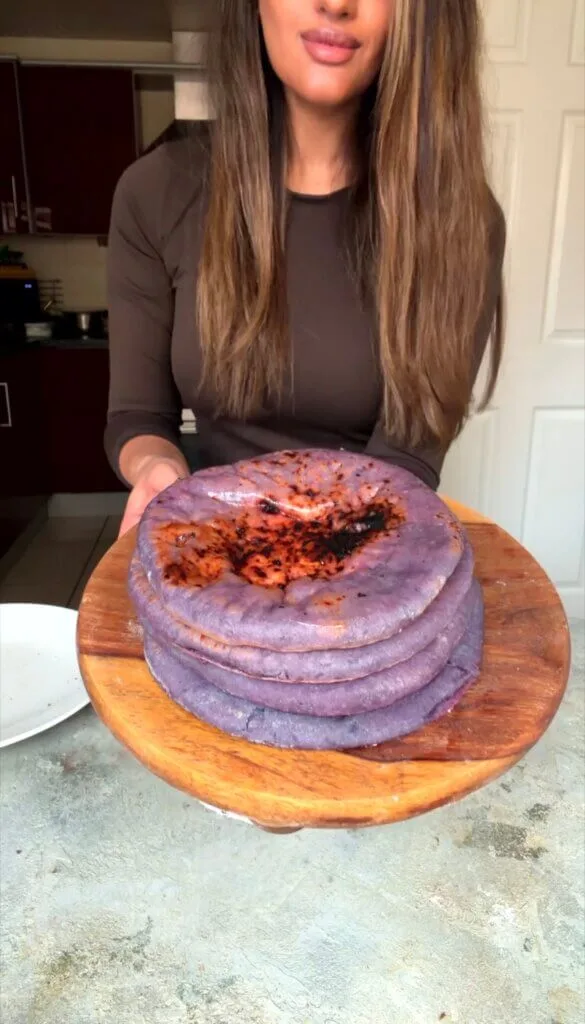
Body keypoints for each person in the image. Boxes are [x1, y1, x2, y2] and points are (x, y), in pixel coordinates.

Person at [106, 0, 505, 538]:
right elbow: (138, 418)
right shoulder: (154, 192)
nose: (336, 4)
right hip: (217, 543)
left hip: (363, 545)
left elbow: (410, 453)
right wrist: (155, 469)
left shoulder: (463, 222)